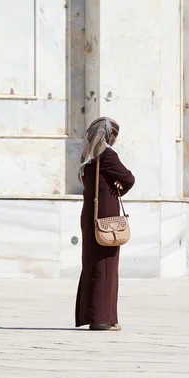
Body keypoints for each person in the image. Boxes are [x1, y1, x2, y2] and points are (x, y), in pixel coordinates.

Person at [75, 117, 135, 331]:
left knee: (92, 265)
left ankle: (92, 316)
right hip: (107, 218)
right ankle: (102, 319)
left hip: (90, 216)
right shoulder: (107, 155)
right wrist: (119, 185)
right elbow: (128, 178)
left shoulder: (87, 158)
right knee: (106, 267)